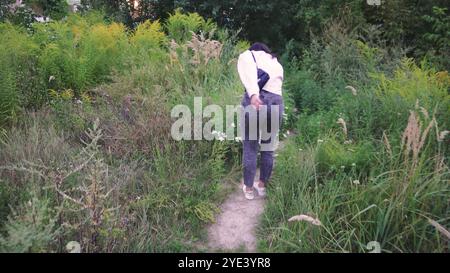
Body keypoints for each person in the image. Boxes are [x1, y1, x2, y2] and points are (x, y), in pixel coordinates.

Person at [237, 42, 284, 200]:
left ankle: (249, 189)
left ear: (254, 49)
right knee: (268, 147)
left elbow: (250, 75)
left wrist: (253, 95)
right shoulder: (275, 62)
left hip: (258, 100)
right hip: (277, 103)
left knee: (250, 147)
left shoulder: (248, 55)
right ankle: (262, 186)